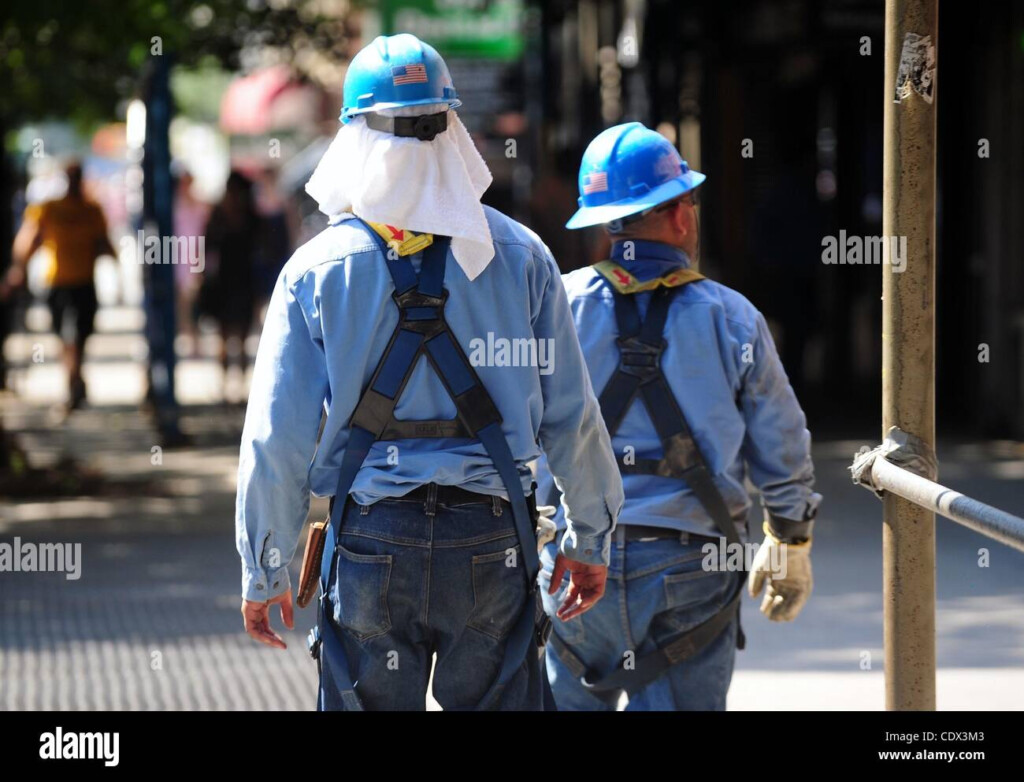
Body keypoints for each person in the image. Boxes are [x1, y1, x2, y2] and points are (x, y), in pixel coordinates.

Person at [235, 34, 623, 711]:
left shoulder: (316, 271)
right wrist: (589, 537)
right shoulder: (522, 255)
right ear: (451, 127)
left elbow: (280, 438)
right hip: (493, 539)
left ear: (353, 137)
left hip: (371, 543)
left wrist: (267, 567)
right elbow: (571, 415)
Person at [535, 122, 822, 710]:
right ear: (682, 215)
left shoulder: (554, 308)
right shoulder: (733, 319)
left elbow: (512, 431)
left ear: (604, 223)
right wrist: (789, 537)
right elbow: (782, 438)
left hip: (573, 556)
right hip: (691, 562)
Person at [7, 160, 115, 411]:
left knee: (79, 335)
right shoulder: (49, 209)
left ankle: (74, 378)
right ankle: (73, 380)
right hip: (59, 282)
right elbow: (30, 240)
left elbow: (104, 242)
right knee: (65, 336)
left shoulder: (92, 210)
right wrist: (19, 269)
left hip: (85, 282)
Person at [203, 170, 261, 400]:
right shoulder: (246, 216)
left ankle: (231, 387)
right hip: (233, 283)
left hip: (234, 283)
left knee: (233, 338)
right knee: (235, 338)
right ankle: (232, 387)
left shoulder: (226, 216)